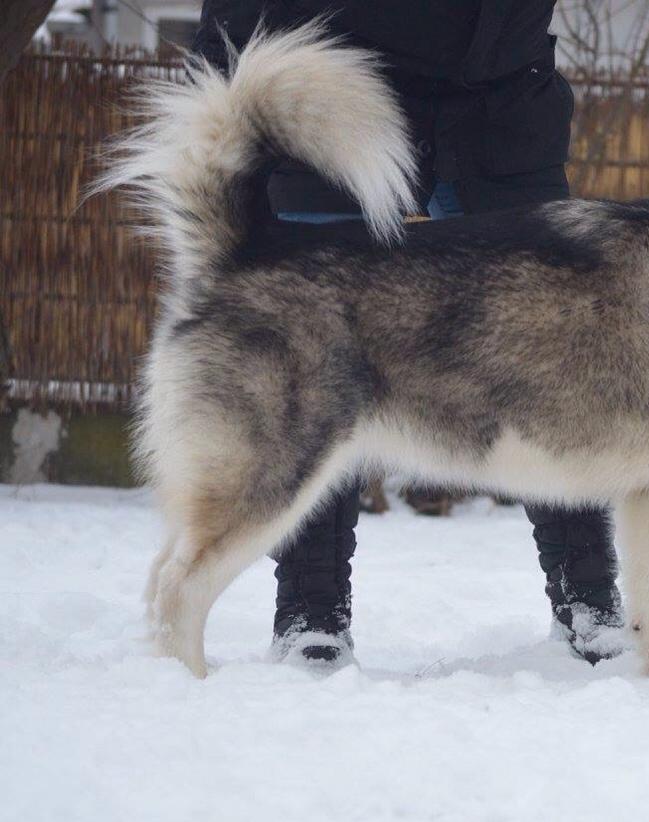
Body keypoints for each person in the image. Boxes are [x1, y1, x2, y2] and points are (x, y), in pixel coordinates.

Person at [191, 1, 623, 666]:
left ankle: (590, 603)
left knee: (550, 365)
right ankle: (312, 615)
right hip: (332, 105)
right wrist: (232, 92)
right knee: (320, 368)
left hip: (497, 113)